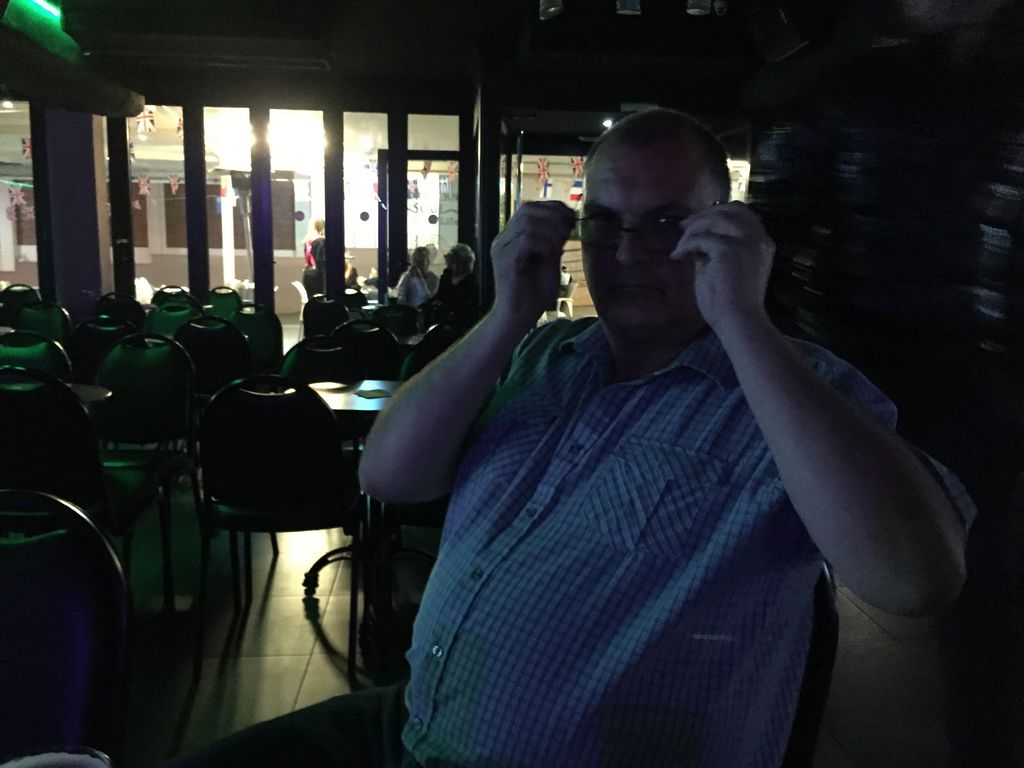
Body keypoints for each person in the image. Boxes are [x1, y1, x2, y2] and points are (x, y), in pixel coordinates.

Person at [168, 108, 973, 768]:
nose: (625, 254)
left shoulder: (789, 388)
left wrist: (743, 321)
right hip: (410, 725)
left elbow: (917, 578)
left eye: (667, 224)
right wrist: (505, 315)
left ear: (725, 231)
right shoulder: (542, 356)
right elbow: (388, 476)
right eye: (604, 224)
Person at [429, 242, 478, 326]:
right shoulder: (446, 277)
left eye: (452, 261)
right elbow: (439, 296)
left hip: (461, 323)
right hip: (440, 322)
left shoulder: (471, 281)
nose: (448, 265)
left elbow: (462, 303)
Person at [302, 217, 326, 297]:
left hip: (307, 274)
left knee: (311, 300)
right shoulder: (321, 242)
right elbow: (321, 263)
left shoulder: (307, 242)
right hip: (318, 277)